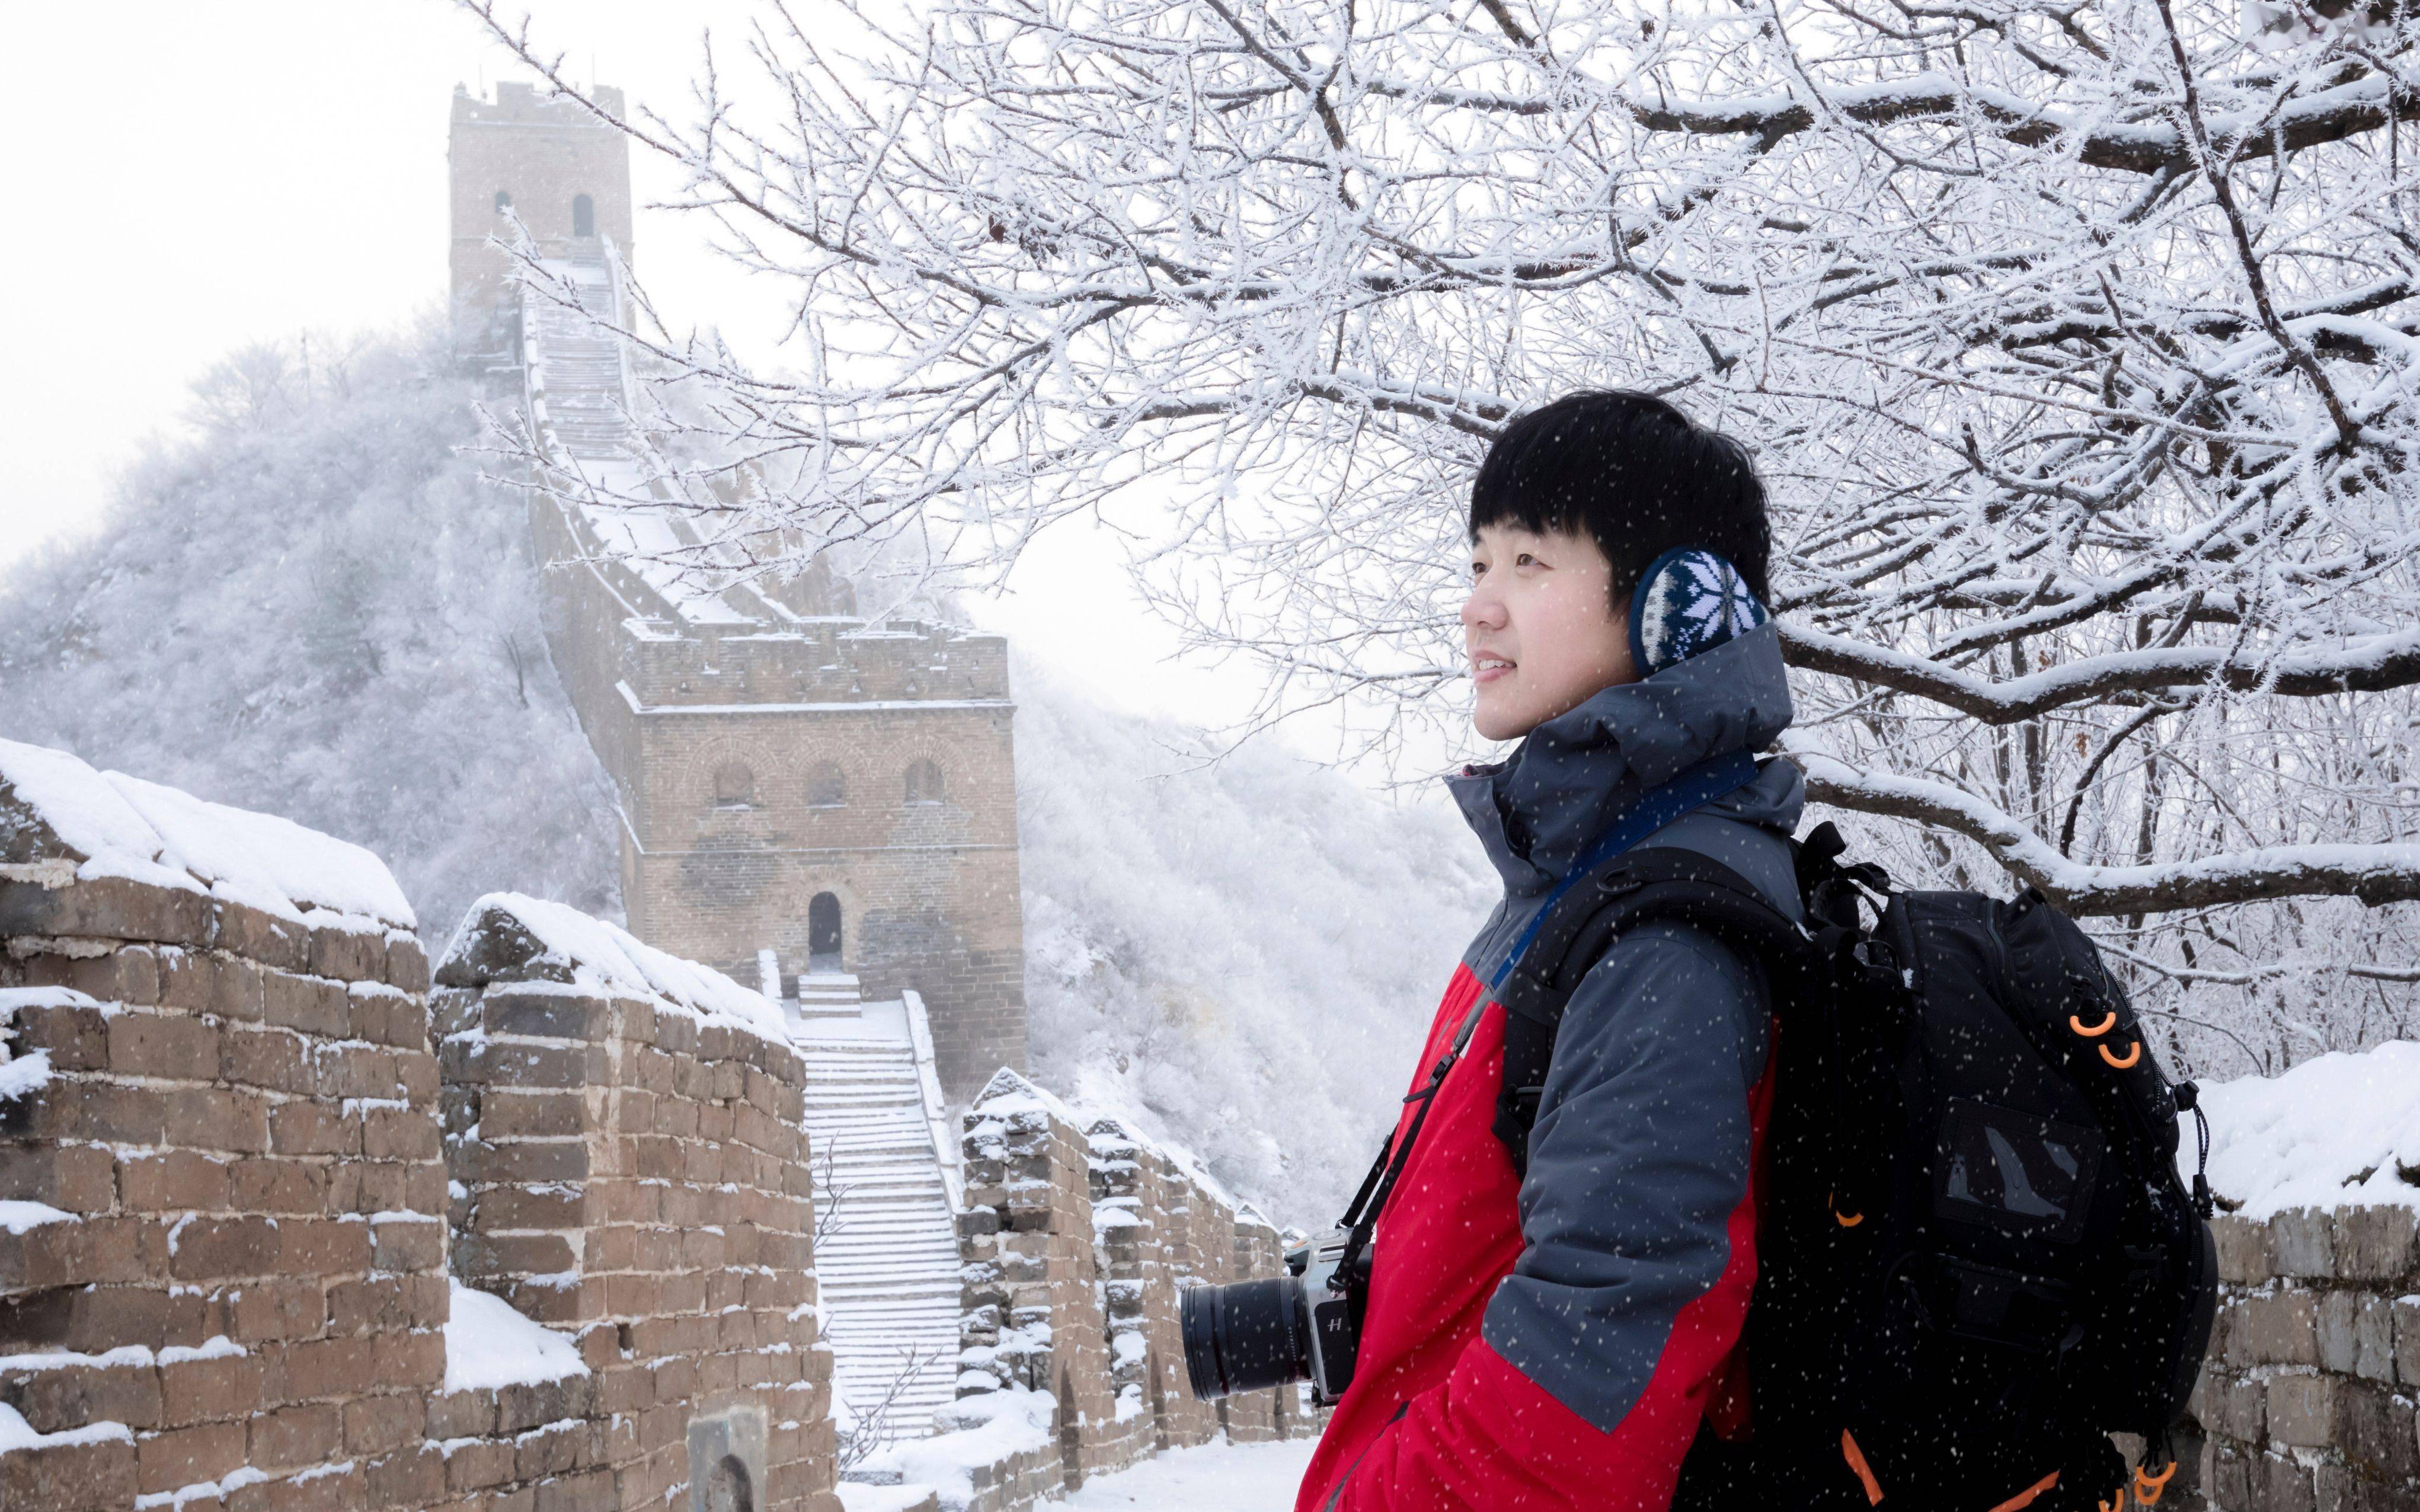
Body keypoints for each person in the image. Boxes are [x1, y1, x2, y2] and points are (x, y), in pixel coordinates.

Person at [1295, 390, 1801, 1512]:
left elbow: (1576, 1409)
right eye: (1478, 562)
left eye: (1528, 561)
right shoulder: (1579, 879)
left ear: (1677, 604)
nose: (1478, 609)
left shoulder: (1663, 934)